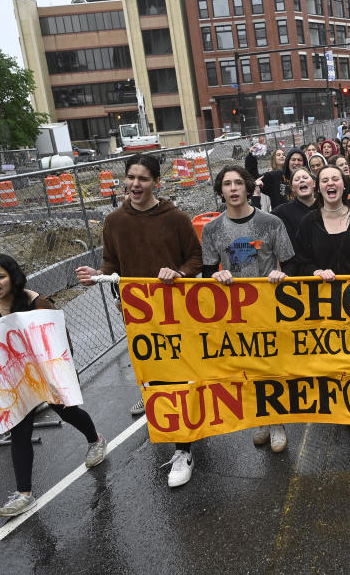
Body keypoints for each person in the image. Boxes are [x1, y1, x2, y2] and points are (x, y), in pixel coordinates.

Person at [76, 154, 203, 487]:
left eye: (143, 178)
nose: (135, 184)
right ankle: (181, 433)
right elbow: (111, 264)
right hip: (137, 317)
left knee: (177, 379)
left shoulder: (175, 218)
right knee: (156, 381)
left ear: (156, 182)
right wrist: (97, 275)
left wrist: (178, 272)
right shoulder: (114, 222)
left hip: (176, 315)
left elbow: (196, 260)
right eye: (130, 177)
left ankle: (183, 450)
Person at [0, 254, 106, 517]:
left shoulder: (37, 301)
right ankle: (23, 494)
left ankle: (95, 440)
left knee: (65, 411)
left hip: (46, 372)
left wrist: (60, 376)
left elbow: (59, 340)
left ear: (12, 277)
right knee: (20, 428)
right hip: (18, 378)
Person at [201, 165, 295, 453]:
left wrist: (282, 275)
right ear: (220, 191)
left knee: (270, 367)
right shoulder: (212, 229)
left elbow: (289, 265)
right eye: (226, 184)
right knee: (246, 369)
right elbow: (206, 274)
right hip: (234, 312)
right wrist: (216, 276)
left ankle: (277, 421)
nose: (232, 188)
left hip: (268, 308)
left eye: (237, 183)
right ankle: (260, 418)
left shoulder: (271, 223)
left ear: (248, 187)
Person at [295, 165, 350, 457]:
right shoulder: (309, 222)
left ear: (343, 185)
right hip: (326, 308)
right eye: (324, 180)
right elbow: (300, 262)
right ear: (319, 188)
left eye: (335, 178)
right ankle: (349, 415)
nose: (330, 183)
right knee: (339, 364)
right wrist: (315, 271)